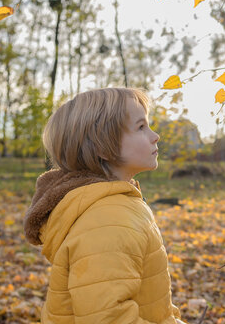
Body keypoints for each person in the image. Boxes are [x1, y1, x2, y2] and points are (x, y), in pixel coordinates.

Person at [23, 87, 185, 323]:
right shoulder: (108, 219)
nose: (154, 136)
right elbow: (108, 318)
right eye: (141, 127)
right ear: (102, 147)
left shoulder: (114, 205)